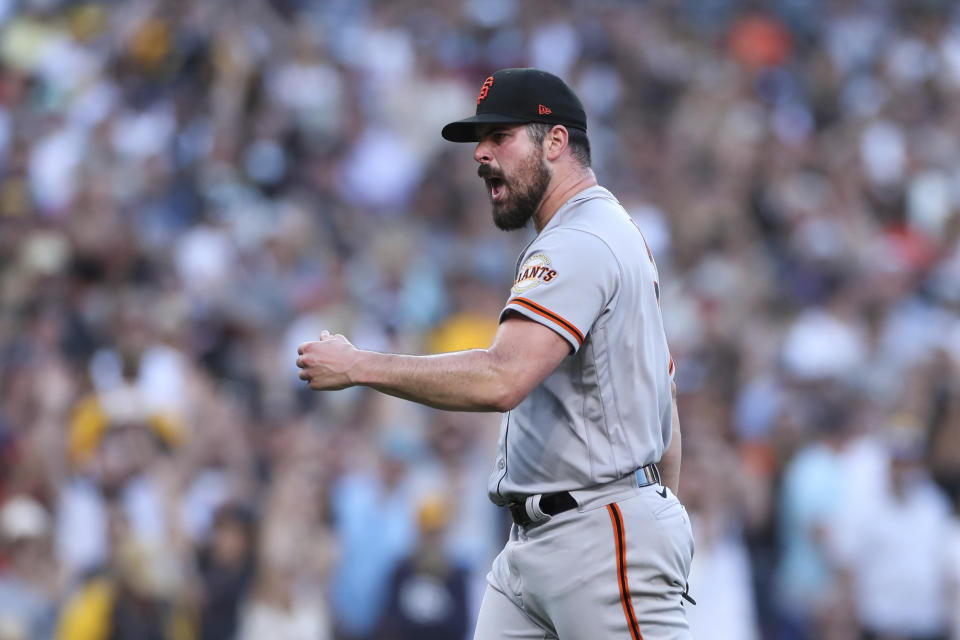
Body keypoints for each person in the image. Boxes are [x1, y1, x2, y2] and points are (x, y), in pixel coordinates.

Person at [296, 68, 694, 639]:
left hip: (598, 537)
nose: (481, 154)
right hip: (545, 543)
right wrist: (660, 507)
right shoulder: (610, 232)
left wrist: (359, 365)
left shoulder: (579, 240)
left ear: (555, 141)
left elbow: (502, 377)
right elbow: (666, 402)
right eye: (479, 141)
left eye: (500, 135)